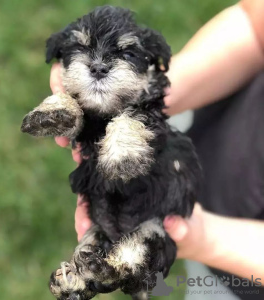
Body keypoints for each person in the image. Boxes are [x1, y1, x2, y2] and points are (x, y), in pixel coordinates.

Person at [50, 0, 264, 298]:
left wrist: (204, 239)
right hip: (214, 143)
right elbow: (256, 26)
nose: (98, 65)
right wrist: (153, 95)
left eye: (124, 53)